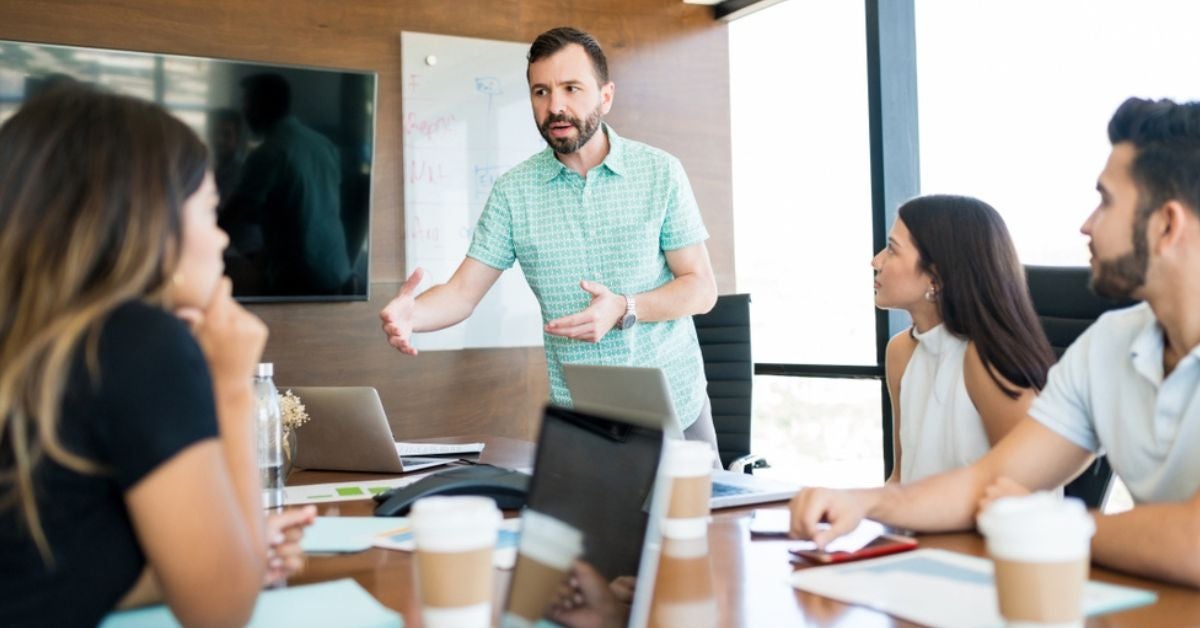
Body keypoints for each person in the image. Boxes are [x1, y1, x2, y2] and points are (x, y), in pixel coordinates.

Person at [790, 97, 1200, 588]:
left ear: (1167, 225)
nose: (1087, 225)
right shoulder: (1109, 345)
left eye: (1106, 201)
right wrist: (863, 502)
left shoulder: (988, 358)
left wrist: (1049, 525)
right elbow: (989, 481)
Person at [0, 82, 309, 626]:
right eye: (212, 213)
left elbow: (39, 574)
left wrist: (233, 549)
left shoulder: (34, 344)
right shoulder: (139, 345)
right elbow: (221, 613)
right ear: (147, 218)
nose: (221, 241)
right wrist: (232, 385)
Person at [380, 27, 719, 447]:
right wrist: (413, 314)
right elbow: (461, 293)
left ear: (605, 96)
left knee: (697, 515)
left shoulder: (660, 172)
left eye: (571, 88)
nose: (555, 105)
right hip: (583, 418)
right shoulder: (514, 192)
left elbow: (701, 289)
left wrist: (624, 307)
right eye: (541, 92)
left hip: (677, 406)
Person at [873, 195, 1054, 483]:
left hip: (991, 527)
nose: (876, 261)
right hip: (917, 524)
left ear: (937, 276)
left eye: (892, 250)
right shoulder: (901, 352)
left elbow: (1028, 494)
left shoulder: (991, 362)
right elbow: (900, 478)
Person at [220, 72, 353, 296]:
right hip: (339, 270)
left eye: (248, 104)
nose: (245, 113)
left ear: (262, 106)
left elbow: (234, 215)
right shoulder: (323, 144)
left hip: (301, 278)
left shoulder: (269, 152)